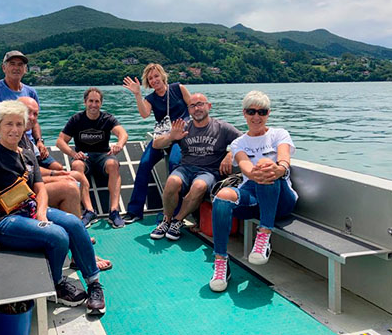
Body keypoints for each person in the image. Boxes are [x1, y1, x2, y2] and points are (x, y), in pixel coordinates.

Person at [0, 100, 106, 315]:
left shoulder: (27, 154)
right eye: (8, 124)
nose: (14, 129)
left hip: (30, 211)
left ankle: (94, 284)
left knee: (74, 223)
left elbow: (39, 188)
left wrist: (41, 212)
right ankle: (57, 284)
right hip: (6, 221)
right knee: (58, 235)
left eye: (18, 124)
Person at [209, 90, 298, 293]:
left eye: (262, 112)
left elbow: (284, 158)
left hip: (281, 197)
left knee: (266, 165)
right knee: (222, 196)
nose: (256, 117)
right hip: (252, 193)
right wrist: (257, 172)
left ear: (268, 114)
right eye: (251, 111)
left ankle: (264, 234)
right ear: (244, 113)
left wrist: (279, 168)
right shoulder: (238, 143)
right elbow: (245, 166)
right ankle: (221, 261)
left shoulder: (279, 134)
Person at [17, 97, 112, 271]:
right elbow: (27, 176)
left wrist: (58, 173)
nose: (32, 117)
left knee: (74, 178)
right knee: (69, 187)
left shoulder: (25, 139)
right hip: (23, 194)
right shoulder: (11, 138)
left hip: (31, 185)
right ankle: (79, 252)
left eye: (35, 114)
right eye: (28, 112)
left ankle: (80, 234)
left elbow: (32, 171)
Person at [150, 93, 242, 241]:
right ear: (189, 110)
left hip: (209, 172)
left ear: (209, 106)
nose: (197, 108)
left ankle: (177, 221)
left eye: (200, 104)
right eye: (192, 106)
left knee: (199, 185)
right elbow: (156, 144)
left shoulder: (222, 127)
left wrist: (231, 154)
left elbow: (244, 141)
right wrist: (171, 137)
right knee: (172, 181)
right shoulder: (184, 127)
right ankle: (166, 220)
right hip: (186, 169)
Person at [122, 64, 191, 224]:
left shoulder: (178, 88)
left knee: (175, 163)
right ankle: (134, 211)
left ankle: (176, 213)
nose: (154, 80)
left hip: (180, 136)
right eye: (150, 78)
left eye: (156, 76)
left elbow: (192, 106)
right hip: (163, 136)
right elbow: (144, 114)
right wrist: (137, 95)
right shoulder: (150, 99)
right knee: (144, 164)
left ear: (163, 76)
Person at [56, 87, 128, 229]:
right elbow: (60, 141)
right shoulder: (76, 119)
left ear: (101, 103)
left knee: (113, 164)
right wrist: (73, 154)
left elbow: (123, 134)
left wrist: (119, 144)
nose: (93, 105)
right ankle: (89, 211)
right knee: (76, 166)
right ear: (85, 102)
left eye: (97, 101)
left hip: (103, 155)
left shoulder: (107, 119)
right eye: (91, 101)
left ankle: (114, 211)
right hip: (84, 156)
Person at [0, 50, 44, 159]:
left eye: (20, 65)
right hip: (1, 142)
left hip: (27, 143)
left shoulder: (31, 92)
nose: (16, 68)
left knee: (55, 166)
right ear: (4, 68)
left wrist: (39, 141)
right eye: (12, 64)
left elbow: (34, 121)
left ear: (25, 69)